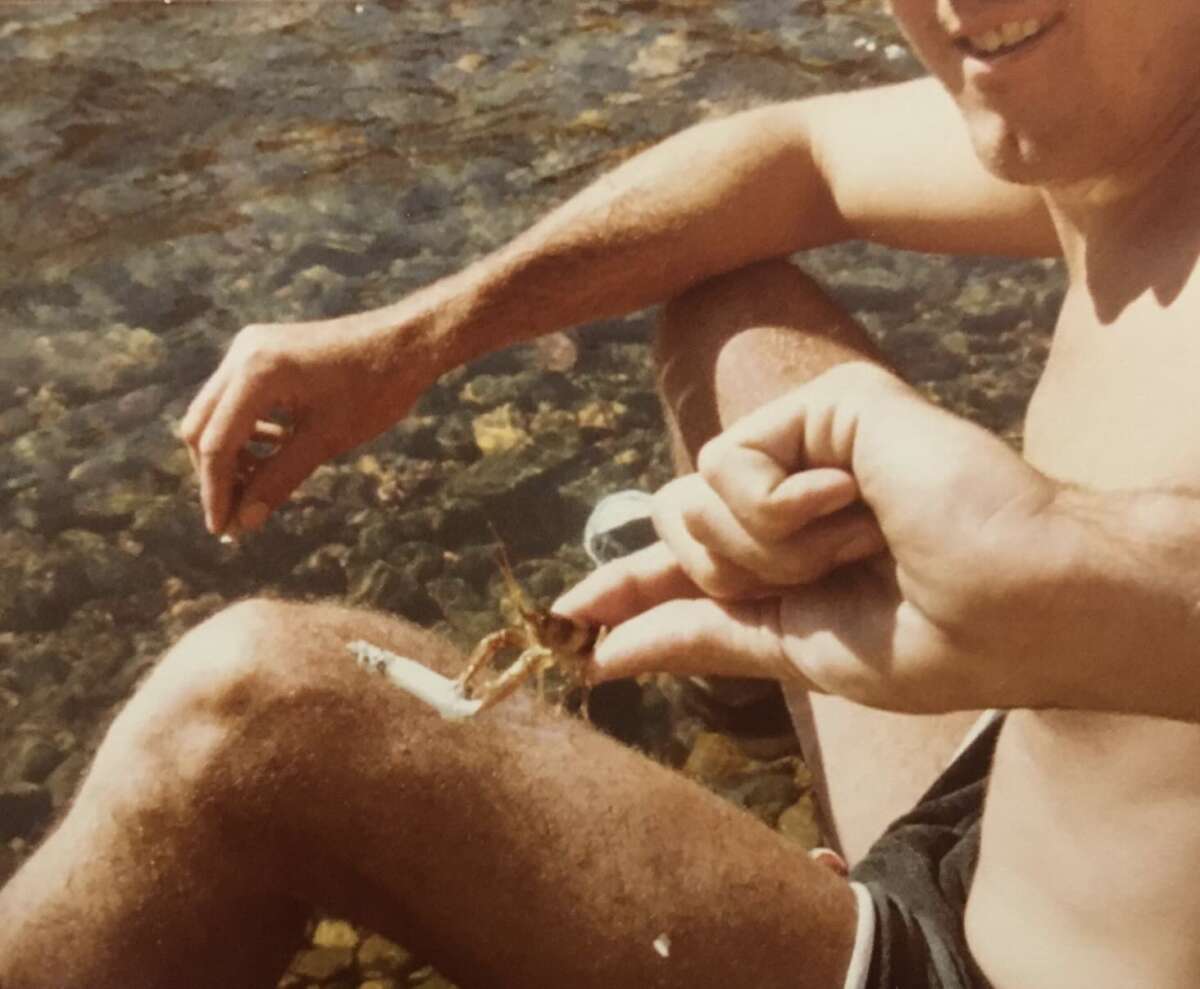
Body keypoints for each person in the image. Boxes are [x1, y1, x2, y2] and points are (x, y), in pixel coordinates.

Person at [4, 1, 1200, 986]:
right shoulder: (1127, 122)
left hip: (989, 967)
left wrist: (1074, 566)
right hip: (994, 787)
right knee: (737, 318)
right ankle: (750, 711)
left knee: (254, 716)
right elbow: (797, 159)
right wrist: (416, 338)